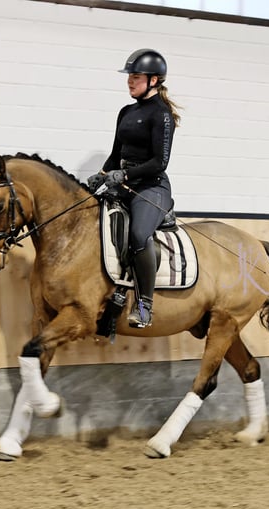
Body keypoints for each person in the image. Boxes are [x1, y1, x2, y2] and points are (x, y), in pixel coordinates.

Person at [87, 48, 182, 328]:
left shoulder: (161, 115)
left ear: (154, 80)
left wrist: (124, 174)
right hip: (123, 184)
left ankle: (144, 306)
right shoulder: (126, 112)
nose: (130, 81)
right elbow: (116, 153)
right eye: (130, 76)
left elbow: (159, 162)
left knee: (139, 235)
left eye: (136, 77)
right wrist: (102, 174)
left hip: (150, 187)